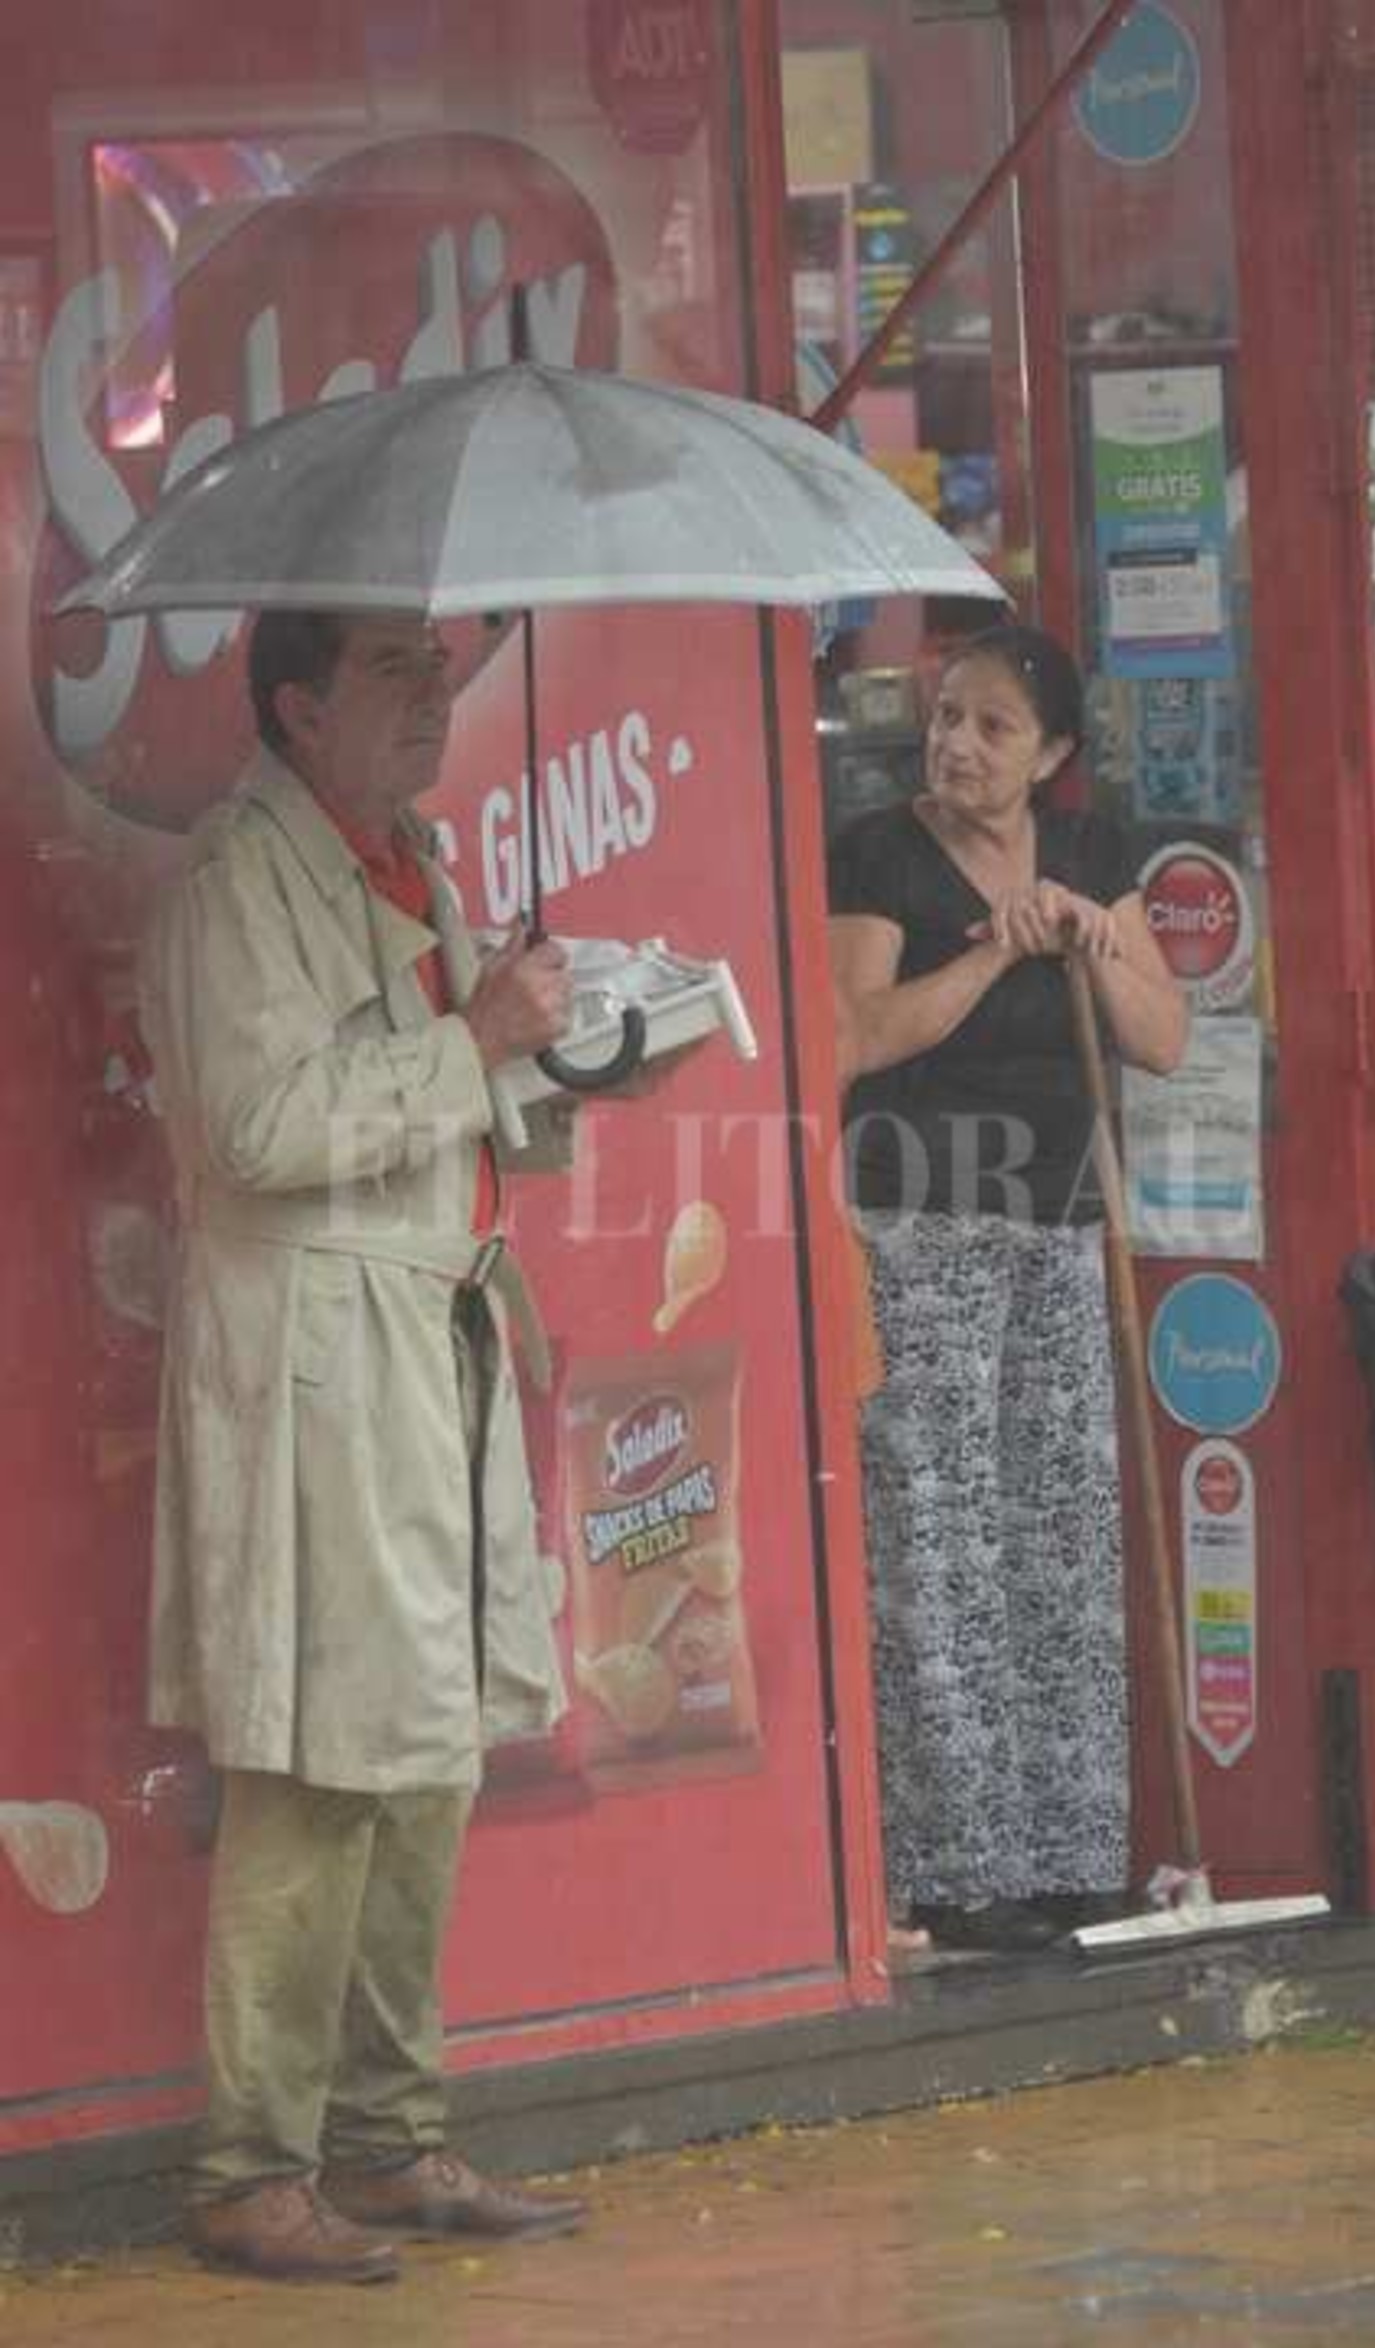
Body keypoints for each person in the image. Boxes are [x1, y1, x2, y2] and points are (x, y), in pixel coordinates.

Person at [138, 608, 612, 2284]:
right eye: (392, 672)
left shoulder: (409, 858)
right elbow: (255, 1128)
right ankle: (250, 2166)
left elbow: (450, 1106)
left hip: (430, 1330)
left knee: (426, 1751)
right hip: (318, 1349)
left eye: (436, 665)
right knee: (318, 1759)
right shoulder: (235, 880)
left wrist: (565, 1050)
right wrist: (474, 1041)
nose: (433, 696)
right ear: (296, 704)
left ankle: (389, 2138)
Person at [828, 624, 1188, 1954]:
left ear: (1050, 754)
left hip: (1060, 1226)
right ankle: (959, 1868)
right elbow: (849, 1035)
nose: (959, 745)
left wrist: (1091, 942)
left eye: (992, 726)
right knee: (942, 1543)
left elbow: (1162, 1037)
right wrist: (990, 951)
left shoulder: (1090, 851)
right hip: (919, 1227)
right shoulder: (878, 853)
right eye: (946, 718)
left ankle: (1073, 1854)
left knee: (1061, 1533)